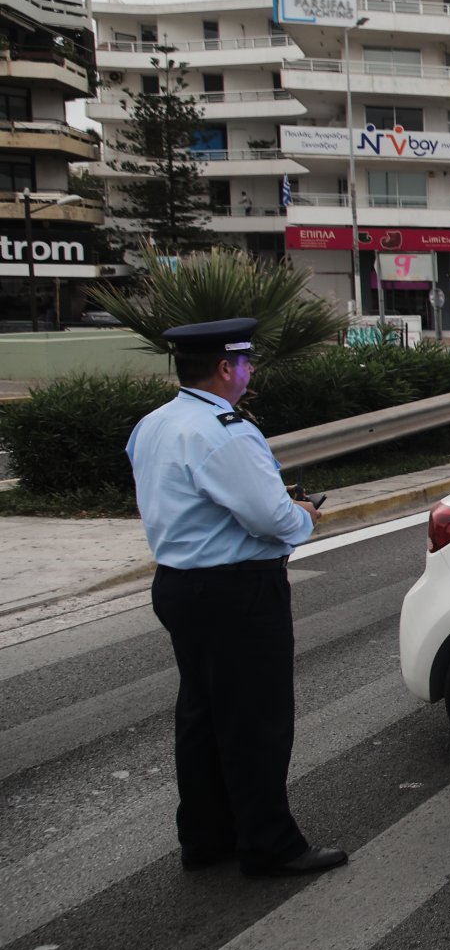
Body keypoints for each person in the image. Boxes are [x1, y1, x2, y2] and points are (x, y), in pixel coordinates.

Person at [126, 318, 347, 878]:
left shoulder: (153, 423)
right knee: (255, 719)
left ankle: (206, 837)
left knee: (202, 714)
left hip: (178, 583)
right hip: (236, 590)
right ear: (225, 368)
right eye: (246, 363)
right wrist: (304, 516)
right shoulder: (224, 430)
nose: (250, 372)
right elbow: (270, 517)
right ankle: (269, 844)